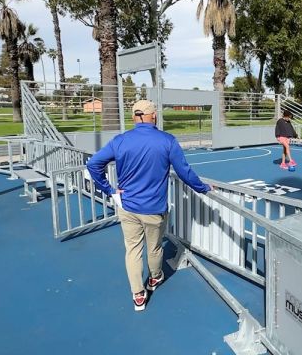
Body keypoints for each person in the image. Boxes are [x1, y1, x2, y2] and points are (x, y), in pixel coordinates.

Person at [87, 100, 212, 312]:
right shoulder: (166, 140)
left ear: (134, 117)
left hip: (127, 207)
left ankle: (138, 294)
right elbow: (184, 171)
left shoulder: (120, 140)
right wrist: (203, 188)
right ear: (153, 115)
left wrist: (109, 190)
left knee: (133, 250)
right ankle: (154, 279)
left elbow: (93, 164)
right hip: (154, 208)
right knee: (154, 247)